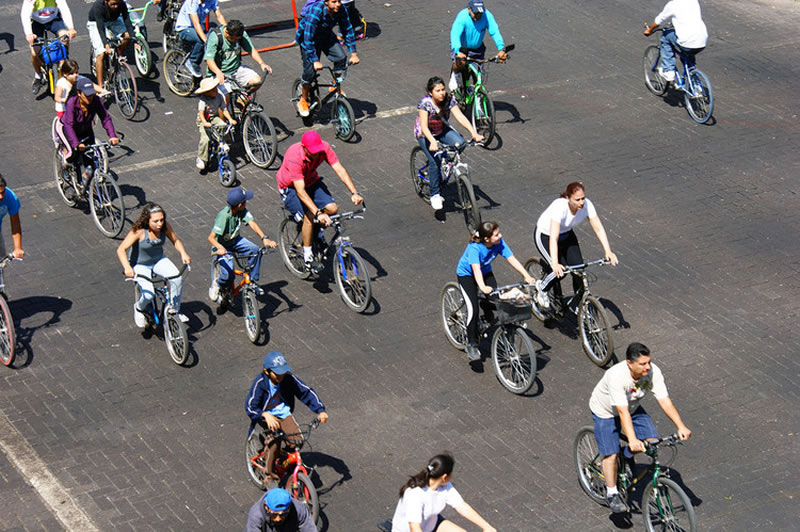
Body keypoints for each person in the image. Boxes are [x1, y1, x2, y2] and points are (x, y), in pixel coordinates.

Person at [589, 342, 692, 514]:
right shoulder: (617, 376)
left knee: (651, 442)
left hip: (632, 407)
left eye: (649, 362)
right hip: (606, 411)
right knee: (610, 454)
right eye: (643, 364)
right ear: (629, 363)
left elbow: (664, 401)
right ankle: (612, 493)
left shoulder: (653, 372)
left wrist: (681, 426)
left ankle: (626, 455)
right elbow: (621, 412)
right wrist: (632, 439)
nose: (648, 367)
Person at [275, 130, 363, 272]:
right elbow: (300, 191)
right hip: (290, 188)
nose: (316, 154)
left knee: (332, 209)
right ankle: (308, 257)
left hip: (311, 181)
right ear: (304, 148)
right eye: (312, 151)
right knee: (309, 217)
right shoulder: (294, 157)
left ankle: (316, 234)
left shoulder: (324, 148)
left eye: (318, 151)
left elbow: (339, 169)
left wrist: (354, 192)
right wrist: (317, 213)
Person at [456, 221, 538, 362]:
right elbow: (475, 269)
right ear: (487, 239)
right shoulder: (475, 249)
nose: (501, 235)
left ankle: (486, 306)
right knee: (473, 309)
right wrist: (481, 287)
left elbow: (511, 258)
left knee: (497, 300)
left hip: (486, 272)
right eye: (496, 235)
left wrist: (526, 275)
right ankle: (472, 343)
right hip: (467, 275)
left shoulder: (498, 243)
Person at [245, 352, 328, 487]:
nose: (281, 376)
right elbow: (250, 406)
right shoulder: (260, 384)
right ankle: (269, 476)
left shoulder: (287, 379)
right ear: (267, 371)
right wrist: (264, 415)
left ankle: (285, 461)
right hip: (266, 416)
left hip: (283, 414)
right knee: (274, 444)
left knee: (298, 440)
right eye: (277, 373)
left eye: (283, 372)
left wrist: (321, 410)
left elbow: (305, 392)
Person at [534, 182, 618, 304]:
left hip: (567, 234)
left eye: (583, 198)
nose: (581, 202)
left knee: (579, 270)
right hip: (546, 236)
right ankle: (542, 288)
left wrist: (608, 251)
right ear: (568, 198)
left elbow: (598, 228)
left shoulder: (587, 205)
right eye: (577, 200)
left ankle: (581, 305)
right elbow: (554, 238)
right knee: (560, 272)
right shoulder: (560, 208)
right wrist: (555, 263)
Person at [414, 76, 483, 212]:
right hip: (426, 134)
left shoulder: (449, 100)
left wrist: (473, 133)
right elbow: (424, 126)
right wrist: (432, 141)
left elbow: (460, 116)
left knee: (461, 143)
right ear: (430, 92)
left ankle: (446, 161)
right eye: (437, 91)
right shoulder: (425, 104)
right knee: (435, 161)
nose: (441, 93)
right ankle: (435, 194)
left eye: (443, 89)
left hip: (442, 129)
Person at [116, 203, 191, 327]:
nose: (159, 224)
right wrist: (127, 268)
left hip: (158, 260)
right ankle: (139, 308)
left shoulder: (165, 227)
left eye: (161, 220)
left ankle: (174, 310)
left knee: (176, 279)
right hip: (140, 265)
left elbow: (175, 240)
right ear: (147, 220)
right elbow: (121, 249)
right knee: (149, 294)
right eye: (155, 221)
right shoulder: (139, 231)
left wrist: (183, 253)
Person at [391, 453, 496, 532]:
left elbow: (461, 506)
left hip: (432, 524)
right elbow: (414, 527)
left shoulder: (444, 486)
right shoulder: (415, 495)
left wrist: (486, 526)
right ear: (444, 477)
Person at [207, 187, 276, 303]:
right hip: (222, 247)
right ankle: (217, 284)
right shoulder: (224, 217)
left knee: (255, 250)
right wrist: (220, 247)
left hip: (235, 241)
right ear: (240, 205)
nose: (246, 203)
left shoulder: (242, 211)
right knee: (228, 274)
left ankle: (252, 281)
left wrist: (264, 238)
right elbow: (211, 238)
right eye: (245, 201)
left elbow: (252, 223)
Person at [295, 0, 360, 117]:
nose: (338, 4)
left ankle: (334, 85)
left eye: (339, 1)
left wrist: (353, 53)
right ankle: (303, 100)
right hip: (309, 39)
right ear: (326, 2)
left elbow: (347, 28)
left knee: (341, 57)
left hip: (325, 34)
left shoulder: (341, 9)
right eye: (334, 1)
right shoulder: (316, 11)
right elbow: (308, 38)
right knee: (310, 72)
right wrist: (315, 60)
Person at [59, 76, 120, 180]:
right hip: (69, 131)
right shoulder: (71, 103)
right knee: (74, 154)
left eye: (92, 94)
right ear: (79, 93)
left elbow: (105, 118)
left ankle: (86, 184)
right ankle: (65, 165)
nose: (90, 97)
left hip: (86, 131)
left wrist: (112, 136)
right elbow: (69, 125)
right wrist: (76, 144)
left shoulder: (96, 100)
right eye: (87, 95)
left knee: (90, 163)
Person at [204, 19, 271, 100]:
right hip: (219, 73)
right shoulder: (215, 37)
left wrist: (262, 63)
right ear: (226, 33)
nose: (235, 41)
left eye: (237, 39)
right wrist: (218, 72)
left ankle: (241, 98)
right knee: (225, 100)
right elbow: (209, 60)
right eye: (233, 39)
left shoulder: (241, 35)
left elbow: (251, 50)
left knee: (257, 82)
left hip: (236, 69)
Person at [449, 1, 506, 94]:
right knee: (460, 62)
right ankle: (455, 75)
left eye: (480, 14)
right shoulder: (462, 16)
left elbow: (494, 32)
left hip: (477, 50)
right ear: (469, 9)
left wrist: (501, 48)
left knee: (479, 77)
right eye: (475, 13)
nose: (478, 16)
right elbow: (455, 34)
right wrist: (458, 50)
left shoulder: (487, 16)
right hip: (462, 48)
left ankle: (478, 100)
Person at [643, 0, 707, 83]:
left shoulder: (673, 5)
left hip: (686, 41)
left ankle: (668, 70)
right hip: (702, 40)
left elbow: (659, 20)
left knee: (666, 37)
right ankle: (696, 86)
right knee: (688, 55)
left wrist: (650, 30)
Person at [21, 0, 77, 93]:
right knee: (34, 52)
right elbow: (24, 15)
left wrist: (71, 28)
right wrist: (29, 34)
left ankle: (64, 65)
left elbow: (64, 8)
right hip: (36, 21)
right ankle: (38, 76)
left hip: (53, 19)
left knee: (64, 38)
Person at [87, 0, 136, 88]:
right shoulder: (99, 6)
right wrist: (105, 45)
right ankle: (100, 87)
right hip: (96, 23)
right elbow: (100, 28)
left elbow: (126, 19)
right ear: (106, 1)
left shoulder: (121, 3)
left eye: (117, 4)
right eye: (112, 4)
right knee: (101, 54)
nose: (116, 6)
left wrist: (134, 39)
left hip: (113, 20)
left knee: (127, 36)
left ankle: (116, 53)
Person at [174, 0, 227, 78]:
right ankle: (192, 62)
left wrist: (228, 31)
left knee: (215, 38)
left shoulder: (212, 1)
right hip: (185, 28)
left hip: (198, 27)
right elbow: (196, 24)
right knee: (202, 40)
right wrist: (205, 40)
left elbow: (219, 16)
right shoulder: (191, 2)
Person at [194, 77, 236, 171]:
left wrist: (230, 119)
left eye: (215, 88)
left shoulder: (219, 97)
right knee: (205, 139)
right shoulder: (203, 100)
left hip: (214, 118)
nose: (216, 90)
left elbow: (224, 109)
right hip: (204, 120)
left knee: (223, 125)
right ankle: (201, 158)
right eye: (213, 90)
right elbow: (201, 113)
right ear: (206, 93)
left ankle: (222, 142)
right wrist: (204, 122)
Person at [245, 488, 317, 532]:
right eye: (273, 514)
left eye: (283, 514)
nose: (278, 519)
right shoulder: (256, 516)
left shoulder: (299, 509)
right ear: (266, 506)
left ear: (290, 507)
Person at [0, 175, 25, 260]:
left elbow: (15, 223)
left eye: (2, 192)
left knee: (2, 259)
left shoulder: (10, 198)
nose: (1, 197)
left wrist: (17, 248)